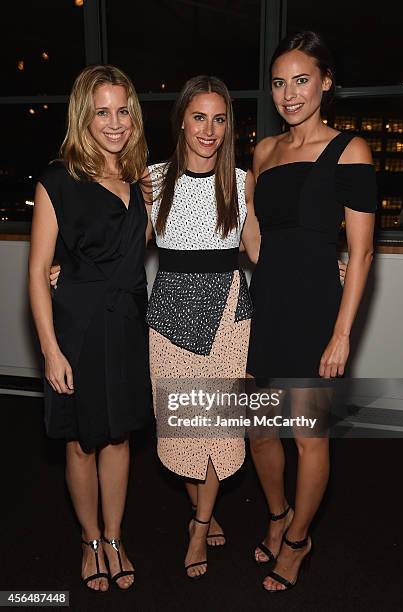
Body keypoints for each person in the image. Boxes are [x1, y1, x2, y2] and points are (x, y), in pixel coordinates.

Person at [246, 31, 376, 592]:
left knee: (307, 435)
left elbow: (363, 248)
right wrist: (264, 269)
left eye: (302, 80)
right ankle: (278, 516)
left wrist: (341, 332)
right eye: (279, 83)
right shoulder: (264, 150)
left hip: (317, 309)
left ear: (325, 82)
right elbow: (254, 229)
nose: (289, 94)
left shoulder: (352, 150)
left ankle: (299, 540)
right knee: (257, 429)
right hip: (268, 302)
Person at [28, 65, 151, 591]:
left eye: (123, 110)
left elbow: (140, 246)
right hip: (75, 331)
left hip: (126, 324)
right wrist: (51, 351)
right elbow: (36, 272)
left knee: (118, 436)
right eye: (102, 111)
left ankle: (116, 536)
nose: (115, 122)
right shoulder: (59, 180)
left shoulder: (142, 178)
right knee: (81, 442)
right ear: (84, 115)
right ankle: (90, 539)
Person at [145, 75, 260, 578]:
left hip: (228, 318)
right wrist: (68, 267)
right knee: (180, 427)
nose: (209, 130)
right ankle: (204, 509)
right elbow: (119, 247)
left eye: (219, 119)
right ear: (182, 120)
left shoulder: (241, 181)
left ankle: (199, 523)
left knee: (216, 426)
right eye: (199, 117)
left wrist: (322, 267)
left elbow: (261, 250)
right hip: (169, 314)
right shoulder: (152, 180)